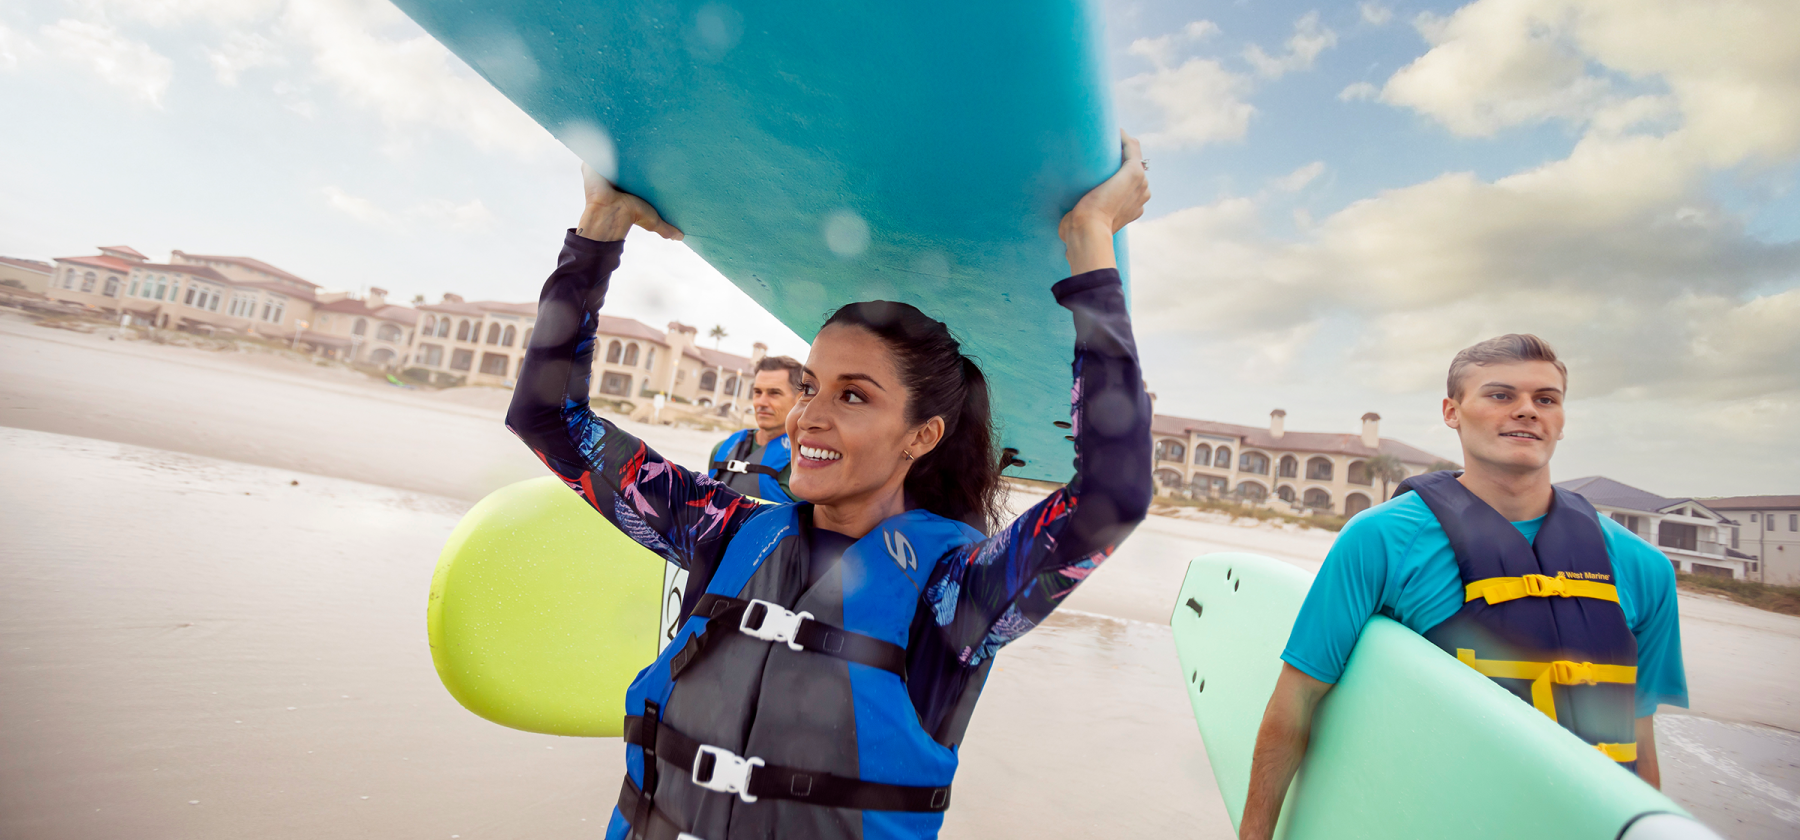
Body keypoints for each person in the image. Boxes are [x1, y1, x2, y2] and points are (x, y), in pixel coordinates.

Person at [505, 132, 1153, 840]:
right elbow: (548, 419)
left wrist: (1091, 239)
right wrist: (597, 233)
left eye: (853, 397)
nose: (809, 414)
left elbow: (1111, 494)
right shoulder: (721, 531)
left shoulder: (955, 592)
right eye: (811, 386)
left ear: (921, 436)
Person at [1237, 335, 1687, 840]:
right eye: (1500, 395)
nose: (1526, 411)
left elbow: (1641, 743)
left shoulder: (1644, 568)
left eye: (1546, 399)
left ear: (1562, 419)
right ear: (1452, 412)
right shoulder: (1382, 539)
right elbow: (1295, 701)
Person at [707, 355, 804, 502]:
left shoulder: (806, 462)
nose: (761, 402)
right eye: (758, 392)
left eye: (774, 393)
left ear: (800, 399)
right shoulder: (721, 450)